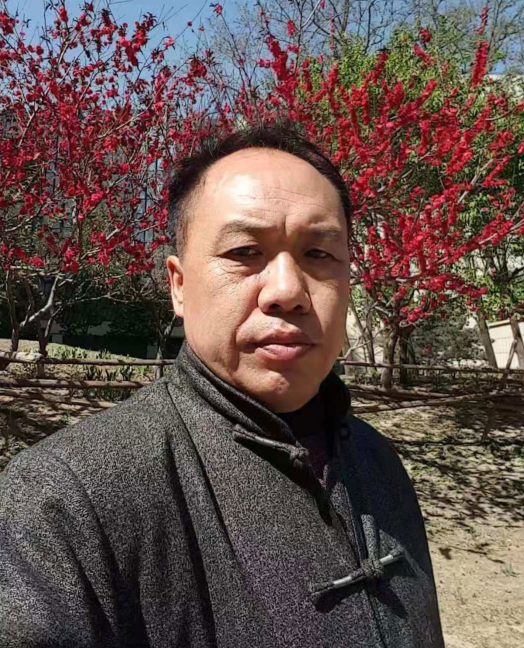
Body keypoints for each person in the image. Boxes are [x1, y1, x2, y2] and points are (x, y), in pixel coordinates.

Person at [0, 124, 444, 647]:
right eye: (243, 251)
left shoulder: (378, 462)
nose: (287, 291)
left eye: (319, 255)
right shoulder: (63, 502)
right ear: (179, 285)